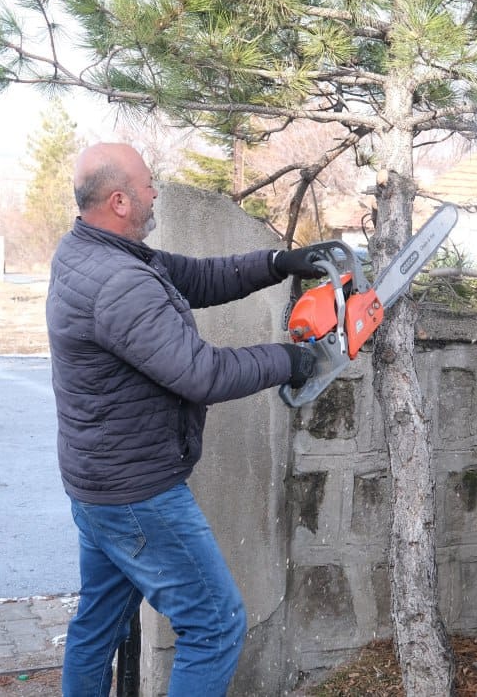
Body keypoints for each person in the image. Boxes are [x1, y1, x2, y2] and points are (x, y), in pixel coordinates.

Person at [46, 142, 322, 696]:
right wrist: (289, 360)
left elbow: (191, 278)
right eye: (149, 184)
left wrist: (275, 264)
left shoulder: (89, 251)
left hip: (99, 485)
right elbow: (202, 374)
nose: (156, 193)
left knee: (97, 625)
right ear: (120, 200)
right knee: (216, 624)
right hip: (137, 494)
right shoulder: (117, 283)